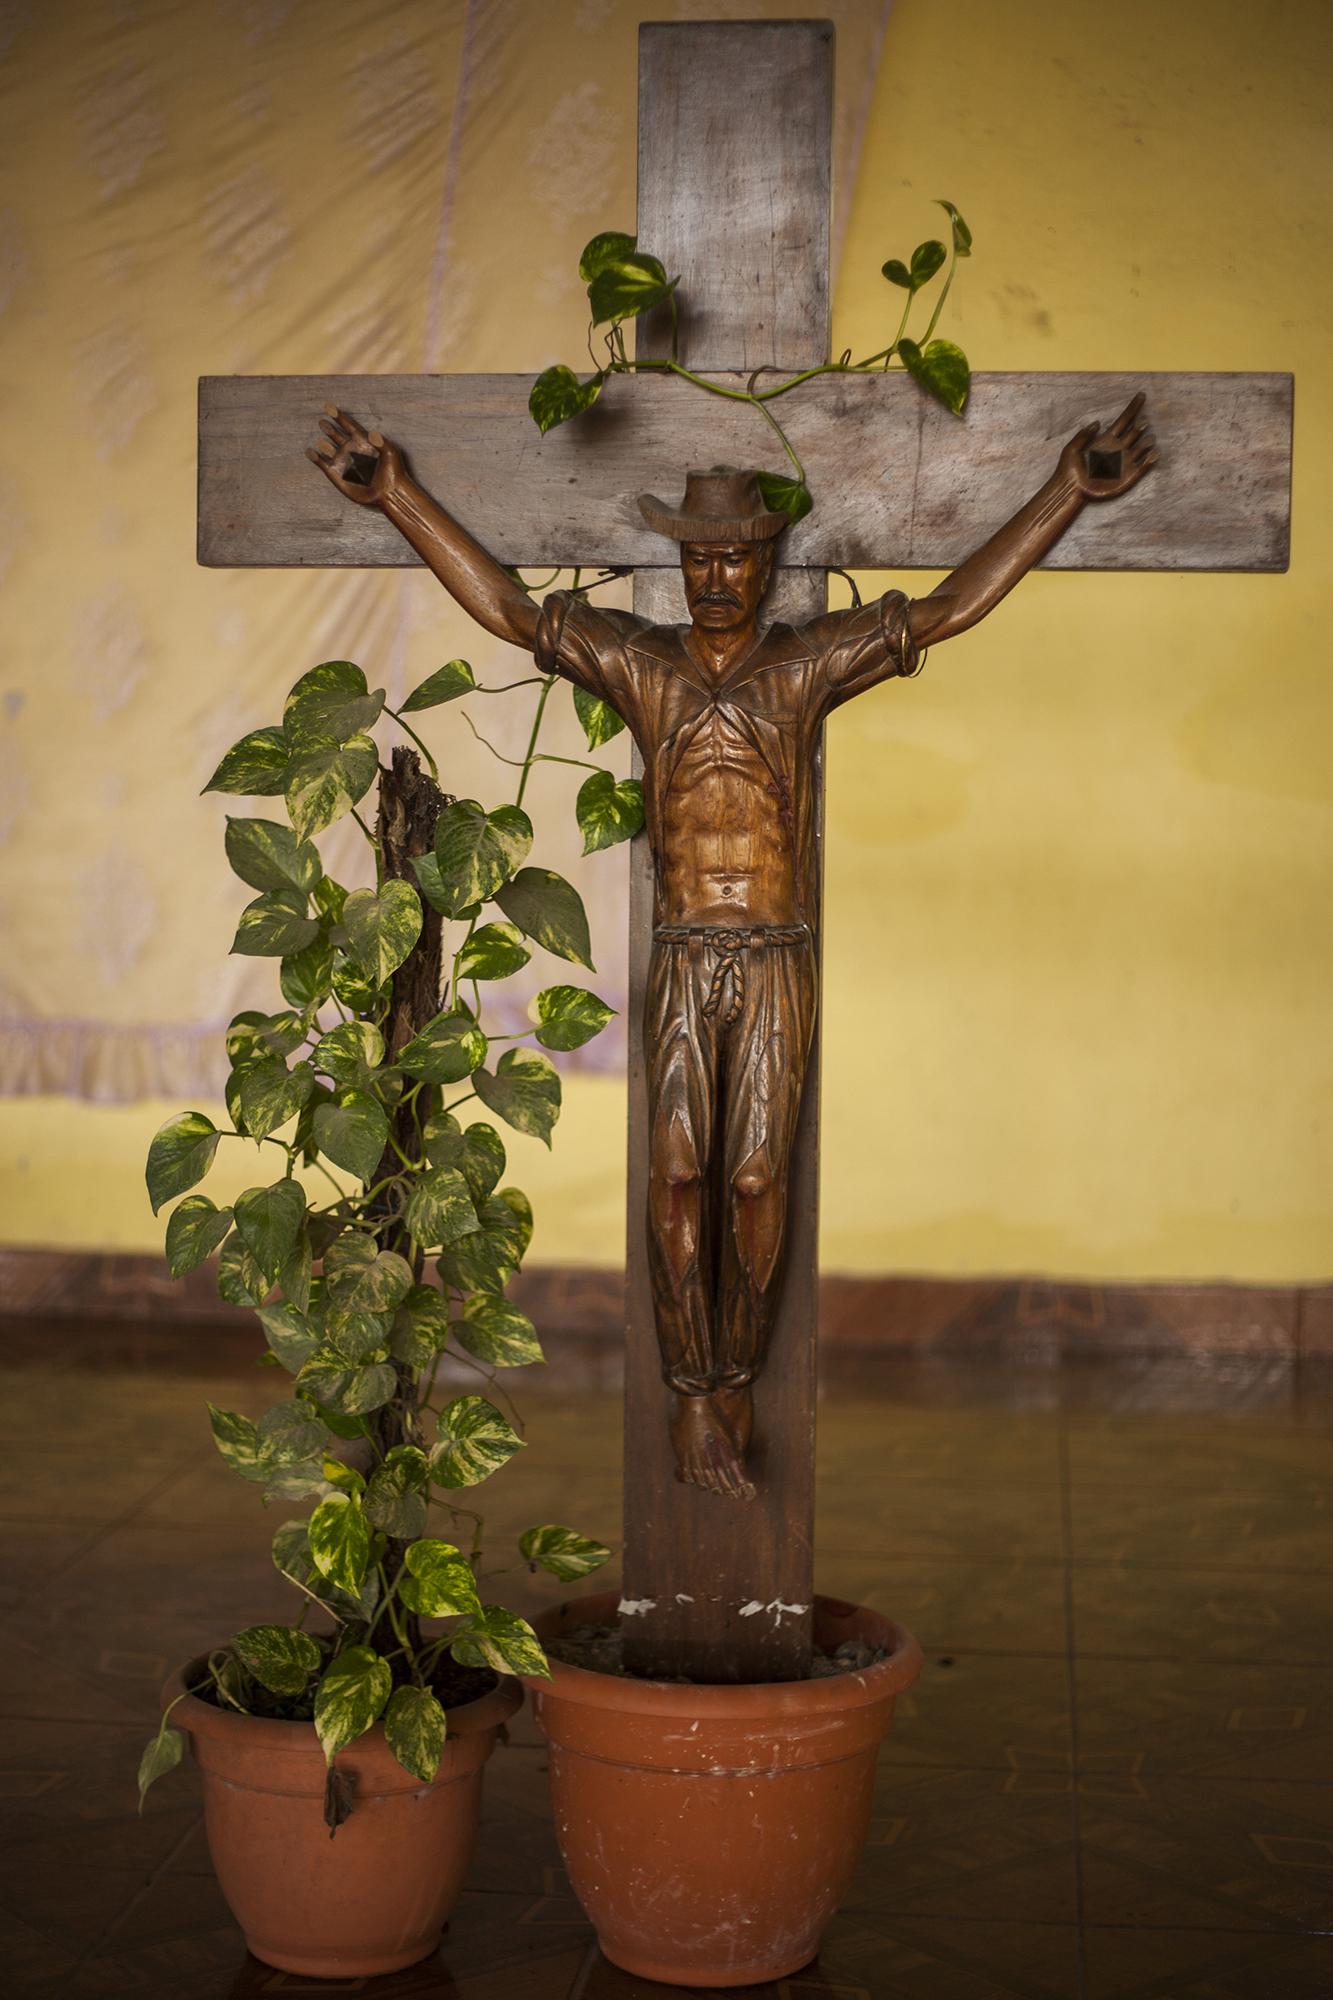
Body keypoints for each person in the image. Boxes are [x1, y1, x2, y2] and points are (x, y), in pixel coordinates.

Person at [310, 395, 1156, 1499]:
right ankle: (693, 1388)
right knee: (675, 1173)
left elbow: (947, 608)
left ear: (765, 566)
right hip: (680, 955)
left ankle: (735, 1370)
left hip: (773, 957)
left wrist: (1064, 491)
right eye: (698, 557)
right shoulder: (645, 665)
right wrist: (397, 497)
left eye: (735, 559)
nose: (716, 577)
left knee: (753, 1175)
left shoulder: (802, 666)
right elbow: (515, 614)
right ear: (680, 563)